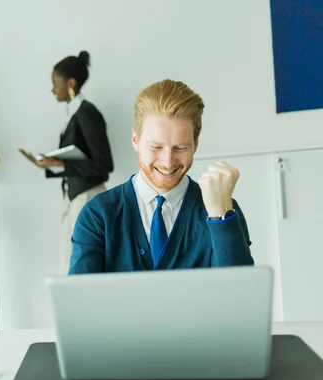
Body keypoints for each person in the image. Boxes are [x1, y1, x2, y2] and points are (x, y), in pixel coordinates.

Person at [69, 79, 254, 274]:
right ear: (135, 140)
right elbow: (79, 301)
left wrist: (220, 217)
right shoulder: (98, 214)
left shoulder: (223, 210)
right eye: (156, 147)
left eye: (181, 148)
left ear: (195, 144)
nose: (168, 162)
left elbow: (240, 296)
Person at [25, 51, 114, 275]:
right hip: (73, 197)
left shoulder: (87, 113)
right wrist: (55, 164)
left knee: (81, 266)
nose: (53, 90)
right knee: (69, 265)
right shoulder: (74, 113)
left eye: (56, 84)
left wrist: (62, 165)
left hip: (87, 198)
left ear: (71, 83)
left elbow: (104, 164)